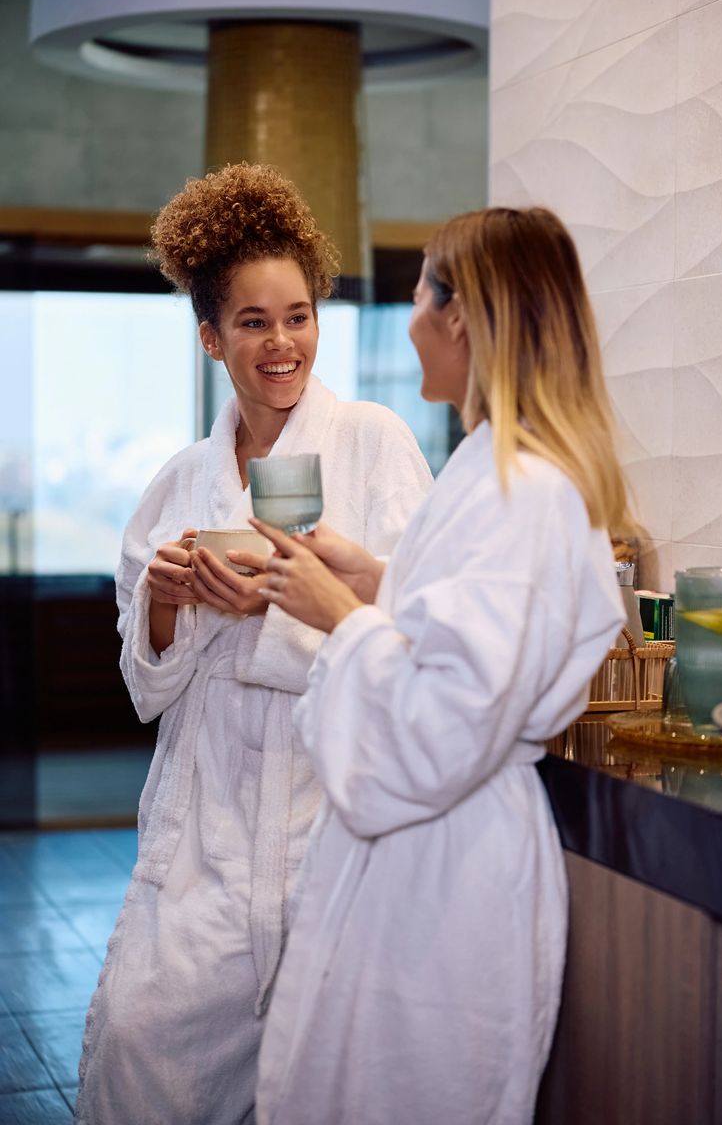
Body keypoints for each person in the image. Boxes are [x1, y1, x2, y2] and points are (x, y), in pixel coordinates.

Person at [235, 206, 629, 1124]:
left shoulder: (523, 490)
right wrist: (377, 581)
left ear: (460, 317)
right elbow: (471, 637)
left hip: (448, 871)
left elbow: (447, 722)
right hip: (425, 856)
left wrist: (342, 618)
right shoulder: (491, 473)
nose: (409, 316)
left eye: (419, 292)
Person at [75, 163, 432, 1125]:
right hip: (205, 838)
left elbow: (412, 627)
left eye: (299, 316)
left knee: (327, 1089)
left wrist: (271, 611)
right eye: (253, 322)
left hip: (326, 827)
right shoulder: (177, 482)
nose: (283, 343)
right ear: (211, 337)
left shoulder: (374, 442)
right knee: (140, 1054)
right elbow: (145, 685)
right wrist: (167, 602)